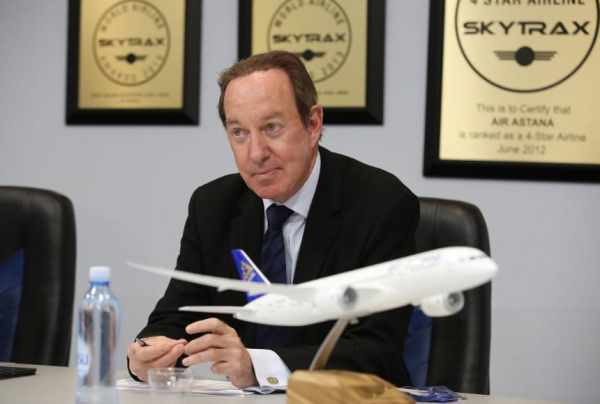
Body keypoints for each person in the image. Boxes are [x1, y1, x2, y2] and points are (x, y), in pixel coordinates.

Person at [127, 51, 419, 390]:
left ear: (313, 124)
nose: (256, 153)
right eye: (239, 132)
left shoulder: (380, 205)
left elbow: (375, 351)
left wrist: (259, 366)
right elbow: (178, 315)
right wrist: (148, 354)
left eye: (271, 127)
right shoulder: (213, 206)